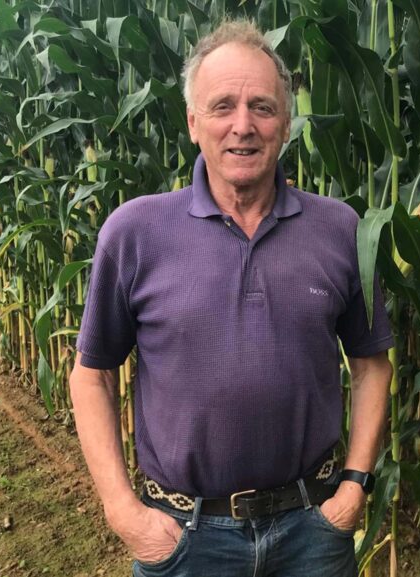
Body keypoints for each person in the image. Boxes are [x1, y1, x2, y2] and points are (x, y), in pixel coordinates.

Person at [69, 19, 393, 576]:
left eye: (262, 107)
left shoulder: (341, 230)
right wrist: (124, 511)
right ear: (194, 123)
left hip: (311, 530)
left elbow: (372, 367)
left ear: (286, 123)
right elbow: (90, 375)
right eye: (223, 107)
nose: (243, 126)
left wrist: (354, 488)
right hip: (186, 538)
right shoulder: (136, 233)